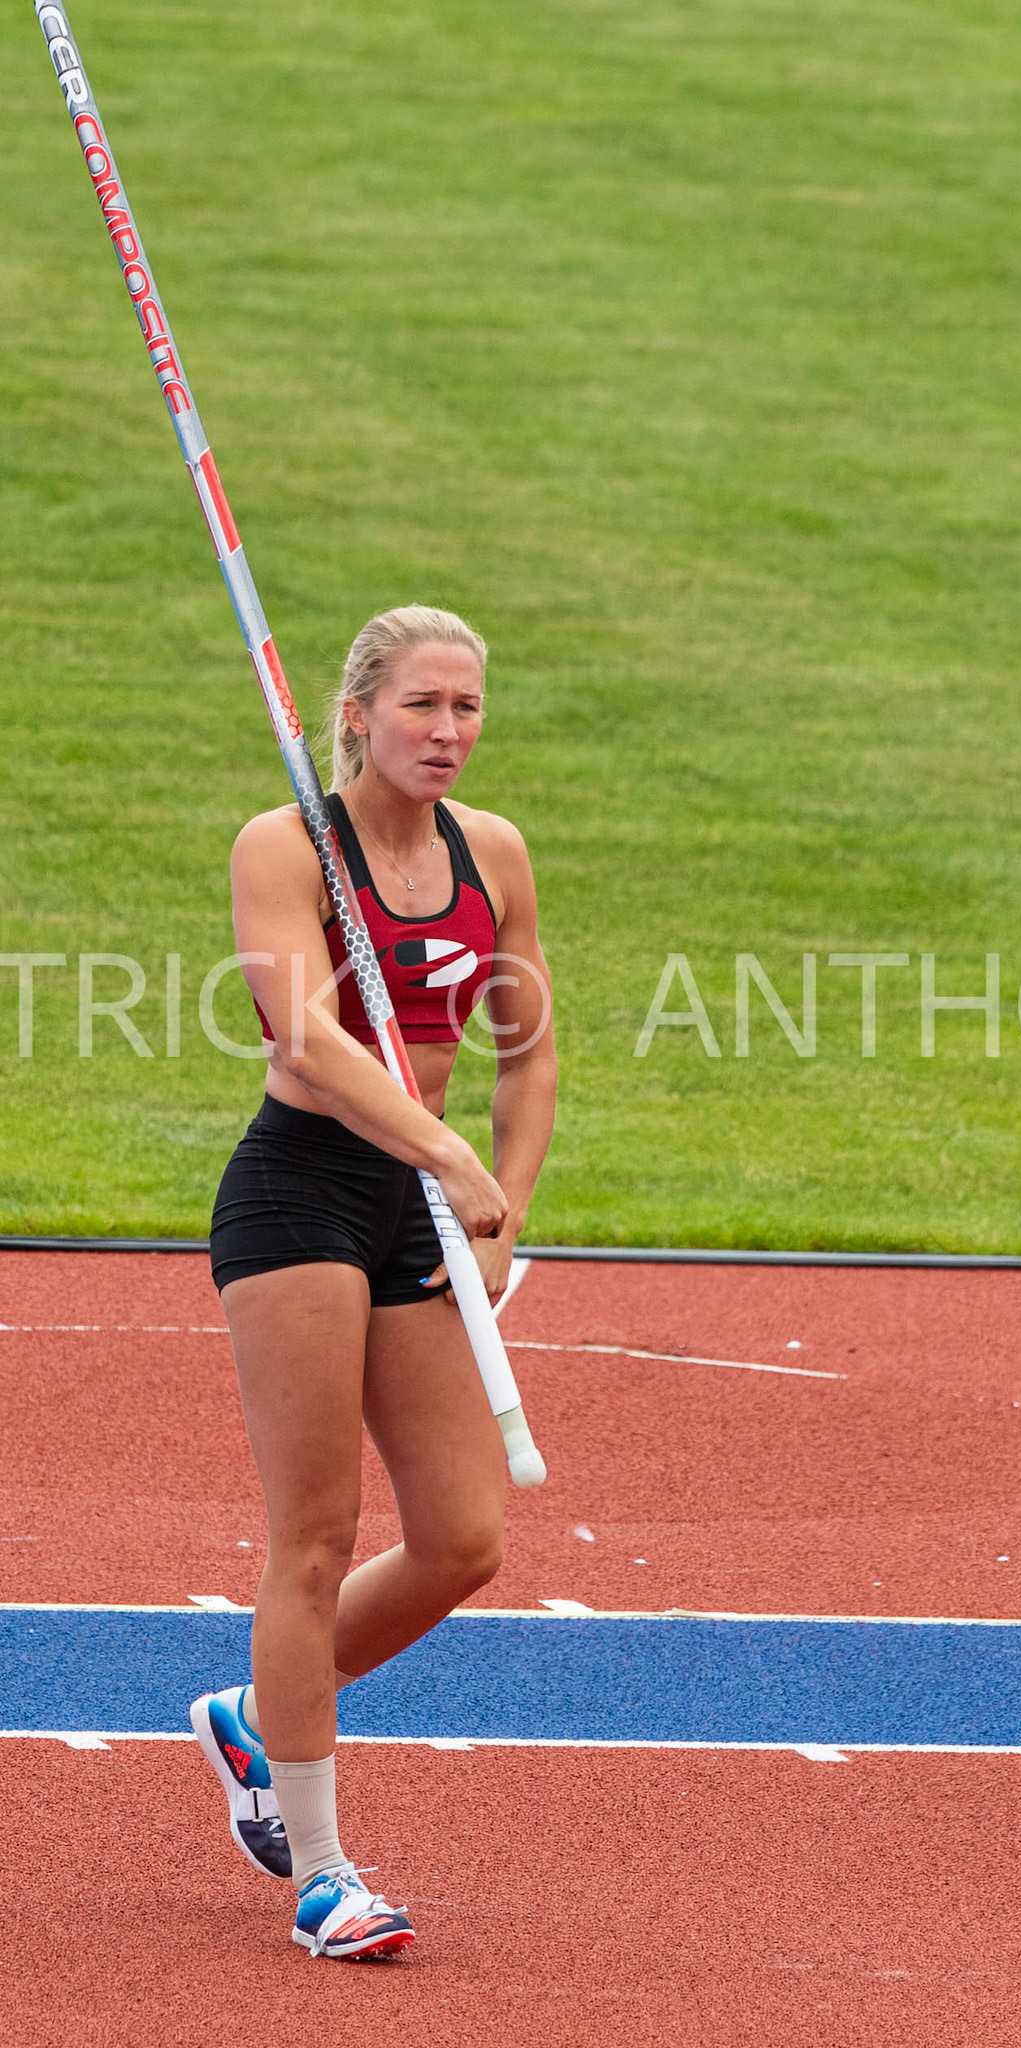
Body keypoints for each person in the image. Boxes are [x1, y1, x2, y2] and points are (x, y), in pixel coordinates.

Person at [191, 605, 556, 1960]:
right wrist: (444, 1153)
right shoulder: (284, 847)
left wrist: (504, 1210)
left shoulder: (491, 853)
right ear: (354, 716)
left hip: (425, 1205)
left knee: (464, 1539)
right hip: (303, 1192)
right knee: (317, 1536)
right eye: (421, 706)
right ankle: (323, 1873)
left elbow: (530, 1047)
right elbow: (307, 1037)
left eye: (467, 707)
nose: (448, 732)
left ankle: (258, 1717)